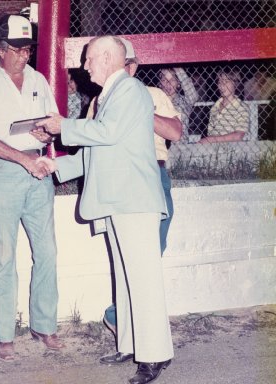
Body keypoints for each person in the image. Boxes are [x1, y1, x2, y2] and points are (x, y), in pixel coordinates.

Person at [34, 35, 174, 384]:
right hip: (119, 200)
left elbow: (106, 133)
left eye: (90, 59)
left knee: (143, 280)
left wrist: (62, 125)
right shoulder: (110, 96)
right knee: (126, 280)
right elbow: (97, 148)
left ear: (110, 58)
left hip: (133, 201)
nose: (85, 66)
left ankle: (155, 354)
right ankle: (130, 344)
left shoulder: (128, 90)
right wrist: (57, 168)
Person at [0, 14, 65, 362]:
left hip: (38, 171)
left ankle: (44, 324)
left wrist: (46, 134)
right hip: (3, 174)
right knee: (3, 257)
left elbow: (53, 124)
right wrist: (22, 159)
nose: (25, 55)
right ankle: (4, 334)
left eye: (28, 48)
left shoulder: (38, 79)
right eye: (18, 49)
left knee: (48, 253)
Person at [101, 37, 182, 338]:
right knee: (125, 252)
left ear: (133, 67)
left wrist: (139, 109)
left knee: (153, 248)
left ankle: (120, 315)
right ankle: (129, 323)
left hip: (155, 174)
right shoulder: (101, 99)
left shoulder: (153, 94)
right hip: (120, 178)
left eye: (127, 65)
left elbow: (175, 131)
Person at [199, 69, 249, 143]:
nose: (221, 85)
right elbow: (211, 133)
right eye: (219, 82)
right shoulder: (214, 107)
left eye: (226, 81)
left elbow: (238, 135)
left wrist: (211, 139)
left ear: (235, 83)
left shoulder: (241, 107)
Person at [159, 67, 199, 142]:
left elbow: (193, 95)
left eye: (172, 79)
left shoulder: (184, 101)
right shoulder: (156, 100)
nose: (168, 83)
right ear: (160, 83)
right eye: (164, 80)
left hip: (181, 147)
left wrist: (176, 66)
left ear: (178, 83)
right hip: (160, 147)